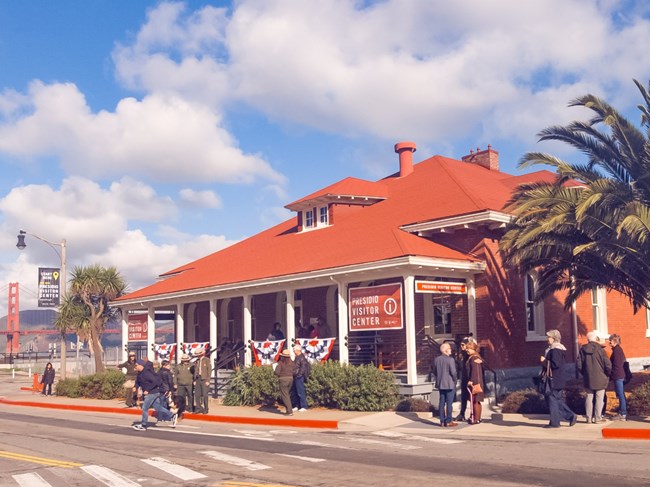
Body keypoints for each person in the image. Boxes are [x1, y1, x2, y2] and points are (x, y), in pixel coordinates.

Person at [540, 329, 577, 428]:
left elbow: (555, 364)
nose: (547, 339)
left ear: (553, 338)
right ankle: (568, 416)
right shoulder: (560, 349)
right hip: (559, 378)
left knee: (552, 399)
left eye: (549, 337)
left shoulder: (555, 350)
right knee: (557, 399)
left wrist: (544, 361)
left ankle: (556, 422)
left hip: (554, 379)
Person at [577, 331, 612, 424]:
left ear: (588, 339)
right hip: (601, 377)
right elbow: (608, 364)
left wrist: (584, 373)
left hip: (588, 377)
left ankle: (588, 418)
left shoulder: (582, 350)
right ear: (596, 339)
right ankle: (598, 417)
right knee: (599, 399)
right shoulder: (601, 350)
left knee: (589, 397)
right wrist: (607, 374)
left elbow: (579, 365)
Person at [132, 359, 176, 430]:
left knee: (145, 408)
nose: (135, 366)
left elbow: (155, 382)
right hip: (152, 392)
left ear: (141, 365)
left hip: (153, 392)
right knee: (157, 407)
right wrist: (135, 387)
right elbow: (138, 382)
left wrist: (148, 390)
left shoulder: (147, 373)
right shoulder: (139, 374)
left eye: (136, 365)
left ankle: (143, 425)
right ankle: (172, 415)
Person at [434, 342, 457, 427]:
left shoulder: (437, 359)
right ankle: (449, 420)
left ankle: (442, 421)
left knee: (442, 402)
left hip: (440, 383)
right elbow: (453, 372)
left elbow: (435, 371)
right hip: (449, 383)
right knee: (449, 403)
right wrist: (455, 381)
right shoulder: (450, 360)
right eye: (450, 348)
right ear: (445, 350)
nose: (451, 350)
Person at [465, 341, 485, 424]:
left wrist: (471, 381)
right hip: (478, 381)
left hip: (476, 382)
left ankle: (476, 418)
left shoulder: (474, 358)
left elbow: (475, 371)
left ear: (472, 348)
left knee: (475, 400)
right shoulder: (476, 357)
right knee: (476, 400)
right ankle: (476, 418)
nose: (467, 350)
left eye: (468, 349)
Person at [608, 334, 628, 421]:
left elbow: (616, 365)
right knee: (621, 394)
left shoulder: (616, 351)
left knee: (620, 394)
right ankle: (622, 412)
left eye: (611, 341)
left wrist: (611, 375)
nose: (609, 342)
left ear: (615, 341)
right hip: (620, 375)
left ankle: (622, 413)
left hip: (618, 375)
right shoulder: (619, 350)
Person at [455, 337, 474, 421]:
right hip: (464, 378)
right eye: (461, 345)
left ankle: (473, 414)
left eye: (463, 345)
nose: (461, 347)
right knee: (463, 397)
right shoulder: (462, 354)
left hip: (470, 379)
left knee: (471, 398)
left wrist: (471, 379)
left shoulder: (470, 355)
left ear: (467, 345)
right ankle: (462, 414)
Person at [274, 349, 295, 415]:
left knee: (285, 396)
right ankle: (289, 410)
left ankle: (289, 411)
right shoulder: (292, 363)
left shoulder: (281, 363)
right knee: (287, 394)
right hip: (291, 379)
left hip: (283, 379)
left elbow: (277, 372)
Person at [291, 344, 310, 412]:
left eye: (294, 350)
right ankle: (297, 405)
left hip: (299, 377)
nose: (293, 351)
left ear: (297, 350)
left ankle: (304, 406)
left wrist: (299, 375)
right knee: (295, 391)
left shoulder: (302, 357)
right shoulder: (297, 357)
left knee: (300, 391)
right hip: (295, 376)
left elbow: (303, 367)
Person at [193, 348, 212, 414]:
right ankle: (198, 408)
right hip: (198, 379)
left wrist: (208, 380)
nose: (198, 356)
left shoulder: (206, 360)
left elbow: (209, 370)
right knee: (197, 394)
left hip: (204, 379)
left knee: (204, 394)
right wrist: (194, 379)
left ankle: (206, 408)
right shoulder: (196, 361)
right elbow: (195, 370)